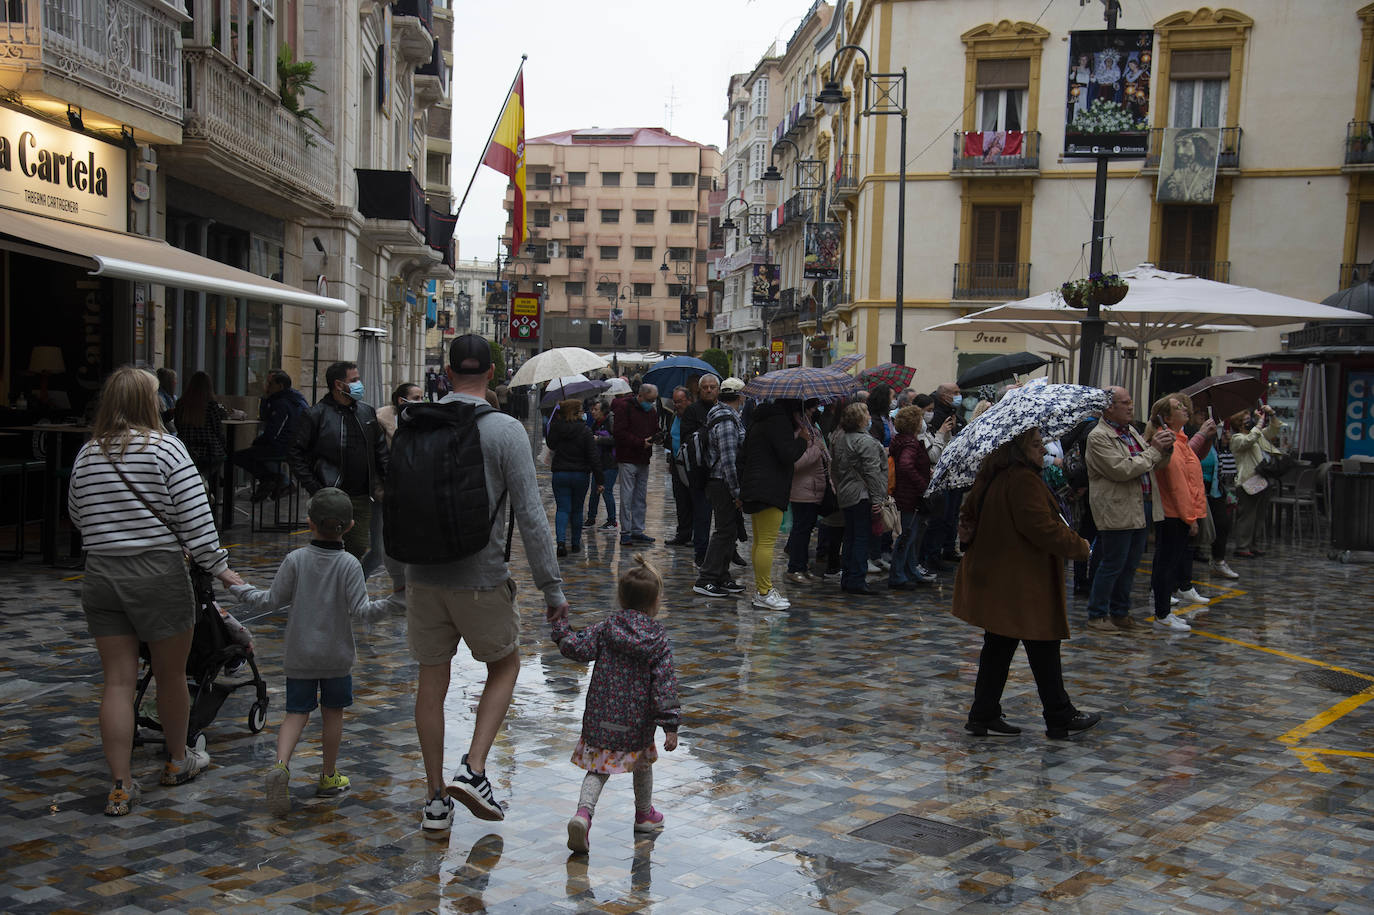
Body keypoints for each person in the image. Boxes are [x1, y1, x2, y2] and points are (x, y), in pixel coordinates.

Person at [406, 335, 569, 829]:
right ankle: (473, 768)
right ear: (492, 374)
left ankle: (435, 801)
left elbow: (396, 503)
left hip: (422, 576)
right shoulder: (505, 430)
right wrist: (551, 588)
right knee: (505, 665)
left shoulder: (415, 422)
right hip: (480, 577)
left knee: (431, 682)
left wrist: (398, 578)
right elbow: (532, 515)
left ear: (447, 372)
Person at [67, 366, 242, 816]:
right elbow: (196, 519)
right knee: (170, 675)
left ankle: (121, 784)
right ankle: (178, 760)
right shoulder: (166, 449)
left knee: (118, 681)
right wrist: (221, 569)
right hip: (157, 572)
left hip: (102, 573)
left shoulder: (87, 453)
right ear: (150, 401)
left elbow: (77, 514)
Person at [228, 488, 387, 815]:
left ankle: (281, 766)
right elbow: (363, 611)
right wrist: (397, 601)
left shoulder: (296, 560)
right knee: (333, 713)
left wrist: (237, 587)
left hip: (300, 654)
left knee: (295, 713)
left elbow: (270, 601)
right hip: (336, 657)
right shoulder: (350, 564)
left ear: (309, 522)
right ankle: (328, 775)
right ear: (350, 525)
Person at [952, 427, 1100, 739]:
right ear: (1019, 449)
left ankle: (984, 713)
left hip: (1004, 577)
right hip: (1020, 580)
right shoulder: (1021, 479)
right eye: (1035, 444)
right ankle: (1059, 715)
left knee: (1000, 646)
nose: (1043, 450)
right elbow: (1041, 527)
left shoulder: (997, 475)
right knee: (1041, 642)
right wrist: (1080, 547)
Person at [551, 555, 680, 854]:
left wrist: (560, 627)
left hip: (601, 717)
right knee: (642, 764)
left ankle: (583, 814)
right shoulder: (657, 640)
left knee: (598, 768)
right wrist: (670, 725)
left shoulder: (607, 628)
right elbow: (665, 684)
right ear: (656, 602)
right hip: (637, 723)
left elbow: (576, 647)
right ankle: (644, 814)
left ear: (621, 599)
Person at [1084, 387, 1174, 635]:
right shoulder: (1098, 436)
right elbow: (1122, 469)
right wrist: (1154, 450)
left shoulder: (1131, 431)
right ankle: (1097, 614)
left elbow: (1150, 463)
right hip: (1117, 508)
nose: (1131, 407)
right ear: (1109, 407)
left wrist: (1165, 450)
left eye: (1131, 402)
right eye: (1125, 403)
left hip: (1139, 504)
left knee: (1130, 565)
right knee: (1113, 563)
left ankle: (1120, 613)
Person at [289, 361, 389, 574]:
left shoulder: (366, 412)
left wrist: (388, 481)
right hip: (331, 495)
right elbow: (296, 453)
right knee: (329, 548)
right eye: (354, 380)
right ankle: (331, 587)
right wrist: (315, 487)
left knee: (358, 547)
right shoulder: (316, 414)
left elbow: (380, 450)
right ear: (338, 385)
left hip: (362, 495)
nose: (359, 384)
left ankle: (346, 587)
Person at [1144, 394, 1210, 633]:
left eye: (1183, 406)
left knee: (1169, 563)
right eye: (1178, 407)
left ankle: (1165, 611)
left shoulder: (1181, 440)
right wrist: (1190, 518)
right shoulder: (1169, 442)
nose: (1184, 409)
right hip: (1173, 514)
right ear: (1167, 417)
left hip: (1179, 513)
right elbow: (1177, 485)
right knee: (1167, 564)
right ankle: (1162, 614)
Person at [738, 398, 807, 610]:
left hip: (755, 486)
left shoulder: (759, 420)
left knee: (760, 542)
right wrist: (802, 441)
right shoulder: (780, 422)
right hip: (770, 488)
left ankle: (763, 589)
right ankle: (764, 591)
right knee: (766, 543)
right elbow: (788, 454)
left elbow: (743, 455)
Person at [692, 385, 747, 599]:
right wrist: (736, 491)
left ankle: (722, 576)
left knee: (730, 531)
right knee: (724, 531)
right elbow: (728, 459)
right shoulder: (726, 419)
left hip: (721, 481)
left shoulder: (723, 415)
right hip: (722, 482)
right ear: (740, 396)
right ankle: (706, 578)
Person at [373, 382, 424, 611]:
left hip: (414, 489)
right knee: (383, 544)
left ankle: (409, 587)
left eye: (422, 397)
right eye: (416, 397)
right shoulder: (382, 421)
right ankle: (398, 584)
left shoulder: (422, 421)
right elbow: (379, 457)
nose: (420, 401)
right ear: (402, 400)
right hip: (388, 489)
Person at [830, 402, 887, 596]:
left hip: (846, 492)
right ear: (860, 419)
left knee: (850, 537)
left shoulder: (840, 438)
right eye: (867, 413)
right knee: (861, 537)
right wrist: (878, 499)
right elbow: (872, 472)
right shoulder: (866, 442)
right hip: (862, 494)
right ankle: (856, 579)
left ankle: (848, 577)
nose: (870, 417)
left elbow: (835, 468)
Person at [234, 370, 310, 503]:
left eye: (270, 384)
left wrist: (258, 442)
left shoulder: (282, 403)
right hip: (294, 446)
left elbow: (273, 432)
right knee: (255, 453)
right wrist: (266, 398)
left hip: (284, 447)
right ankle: (277, 480)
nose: (267, 387)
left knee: (238, 456)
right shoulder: (294, 399)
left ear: (280, 386)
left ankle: (274, 480)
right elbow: (266, 418)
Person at [546, 398, 604, 557]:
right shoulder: (585, 430)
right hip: (580, 474)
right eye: (581, 410)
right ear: (575, 412)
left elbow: (551, 445)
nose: (583, 412)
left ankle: (560, 542)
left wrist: (555, 425)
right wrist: (600, 480)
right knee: (577, 509)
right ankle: (575, 543)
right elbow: (593, 456)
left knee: (562, 509)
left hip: (560, 473)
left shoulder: (557, 428)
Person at [888, 405, 937, 589]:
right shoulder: (910, 443)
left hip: (906, 494)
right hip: (909, 496)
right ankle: (897, 575)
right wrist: (922, 484)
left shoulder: (902, 440)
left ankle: (910, 571)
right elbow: (906, 465)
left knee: (910, 534)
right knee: (907, 536)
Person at [1230, 405, 1283, 558]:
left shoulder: (1256, 434)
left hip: (1261, 480)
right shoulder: (1237, 438)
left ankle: (1253, 544)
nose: (1250, 422)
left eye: (1250, 419)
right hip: (1246, 482)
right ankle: (1242, 545)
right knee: (1247, 515)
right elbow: (1248, 440)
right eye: (1246, 420)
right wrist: (1259, 423)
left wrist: (1271, 415)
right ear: (1239, 424)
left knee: (1259, 516)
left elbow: (1273, 430)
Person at [611, 382, 660, 548]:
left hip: (643, 459)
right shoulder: (624, 408)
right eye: (649, 400)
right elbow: (619, 433)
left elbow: (655, 428)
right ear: (640, 396)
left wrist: (657, 436)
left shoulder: (651, 411)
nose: (651, 403)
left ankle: (637, 530)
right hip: (628, 458)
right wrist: (640, 442)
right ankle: (625, 532)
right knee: (627, 496)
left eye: (653, 400)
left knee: (640, 496)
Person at [785, 399, 828, 584]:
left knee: (806, 529)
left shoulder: (811, 428)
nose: (815, 411)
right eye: (812, 408)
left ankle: (802, 566)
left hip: (813, 487)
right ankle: (795, 568)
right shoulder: (797, 431)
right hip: (802, 489)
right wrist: (817, 449)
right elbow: (796, 463)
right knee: (800, 530)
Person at [924, 382, 966, 570]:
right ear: (944, 395)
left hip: (954, 472)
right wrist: (944, 433)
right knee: (939, 517)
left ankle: (947, 548)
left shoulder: (954, 414)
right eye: (955, 393)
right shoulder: (937, 415)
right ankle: (932, 554)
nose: (958, 396)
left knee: (951, 514)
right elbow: (936, 450)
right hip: (941, 473)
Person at [678, 374, 720, 564]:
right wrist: (705, 431)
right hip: (700, 474)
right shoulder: (692, 411)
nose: (709, 390)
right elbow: (687, 440)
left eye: (712, 387)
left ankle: (726, 552)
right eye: (705, 387)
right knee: (702, 517)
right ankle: (701, 556)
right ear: (699, 389)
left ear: (718, 389)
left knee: (724, 519)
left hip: (720, 472)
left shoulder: (723, 409)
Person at [173, 370, 228, 487]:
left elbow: (178, 426)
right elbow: (217, 429)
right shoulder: (211, 405)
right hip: (210, 451)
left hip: (187, 450)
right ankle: (203, 480)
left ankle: (201, 480)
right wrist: (224, 445)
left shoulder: (181, 404)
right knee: (219, 461)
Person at [1200, 415, 1239, 579]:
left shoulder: (1214, 438)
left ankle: (1218, 561)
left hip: (1214, 487)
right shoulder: (1193, 435)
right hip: (1198, 486)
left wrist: (1223, 444)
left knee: (1222, 523)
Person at [665, 386, 695, 546]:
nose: (676, 405)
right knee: (680, 500)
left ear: (689, 400)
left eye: (680, 402)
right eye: (675, 402)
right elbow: (671, 438)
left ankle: (696, 534)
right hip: (677, 464)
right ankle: (683, 533)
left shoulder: (695, 416)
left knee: (693, 500)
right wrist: (670, 460)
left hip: (692, 465)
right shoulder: (674, 417)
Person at [583, 400, 618, 532]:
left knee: (606, 491)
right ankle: (591, 518)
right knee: (594, 492)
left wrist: (599, 439)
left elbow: (616, 439)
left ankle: (612, 520)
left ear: (603, 411)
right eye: (592, 409)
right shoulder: (595, 423)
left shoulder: (611, 421)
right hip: (598, 463)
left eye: (596, 409)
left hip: (610, 462)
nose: (593, 412)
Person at [155, 367, 178, 432]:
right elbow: (166, 422)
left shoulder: (174, 397)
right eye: (174, 379)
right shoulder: (159, 398)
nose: (176, 382)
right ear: (168, 382)